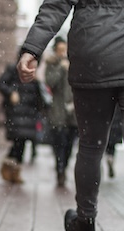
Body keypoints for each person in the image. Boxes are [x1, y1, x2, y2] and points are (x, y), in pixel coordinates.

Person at [17, 0, 124, 231]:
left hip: (94, 55)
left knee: (91, 146)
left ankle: (85, 223)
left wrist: (33, 48)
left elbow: (56, 5)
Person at [0, 63, 48, 183]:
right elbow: (0, 83)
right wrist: (11, 93)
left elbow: (41, 98)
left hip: (30, 113)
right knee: (18, 141)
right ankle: (11, 168)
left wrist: (39, 82)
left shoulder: (35, 75)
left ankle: (13, 169)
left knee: (22, 142)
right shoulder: (14, 70)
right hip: (16, 112)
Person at [45, 36, 78, 187]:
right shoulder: (52, 64)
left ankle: (64, 166)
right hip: (58, 112)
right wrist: (61, 68)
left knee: (70, 144)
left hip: (73, 112)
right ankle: (60, 169)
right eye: (60, 50)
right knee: (59, 143)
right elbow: (50, 82)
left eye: (65, 50)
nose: (63, 53)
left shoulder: (75, 64)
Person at [105, 105, 122, 178]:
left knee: (101, 146)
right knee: (111, 147)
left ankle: (103, 161)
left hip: (105, 125)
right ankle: (110, 158)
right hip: (115, 125)